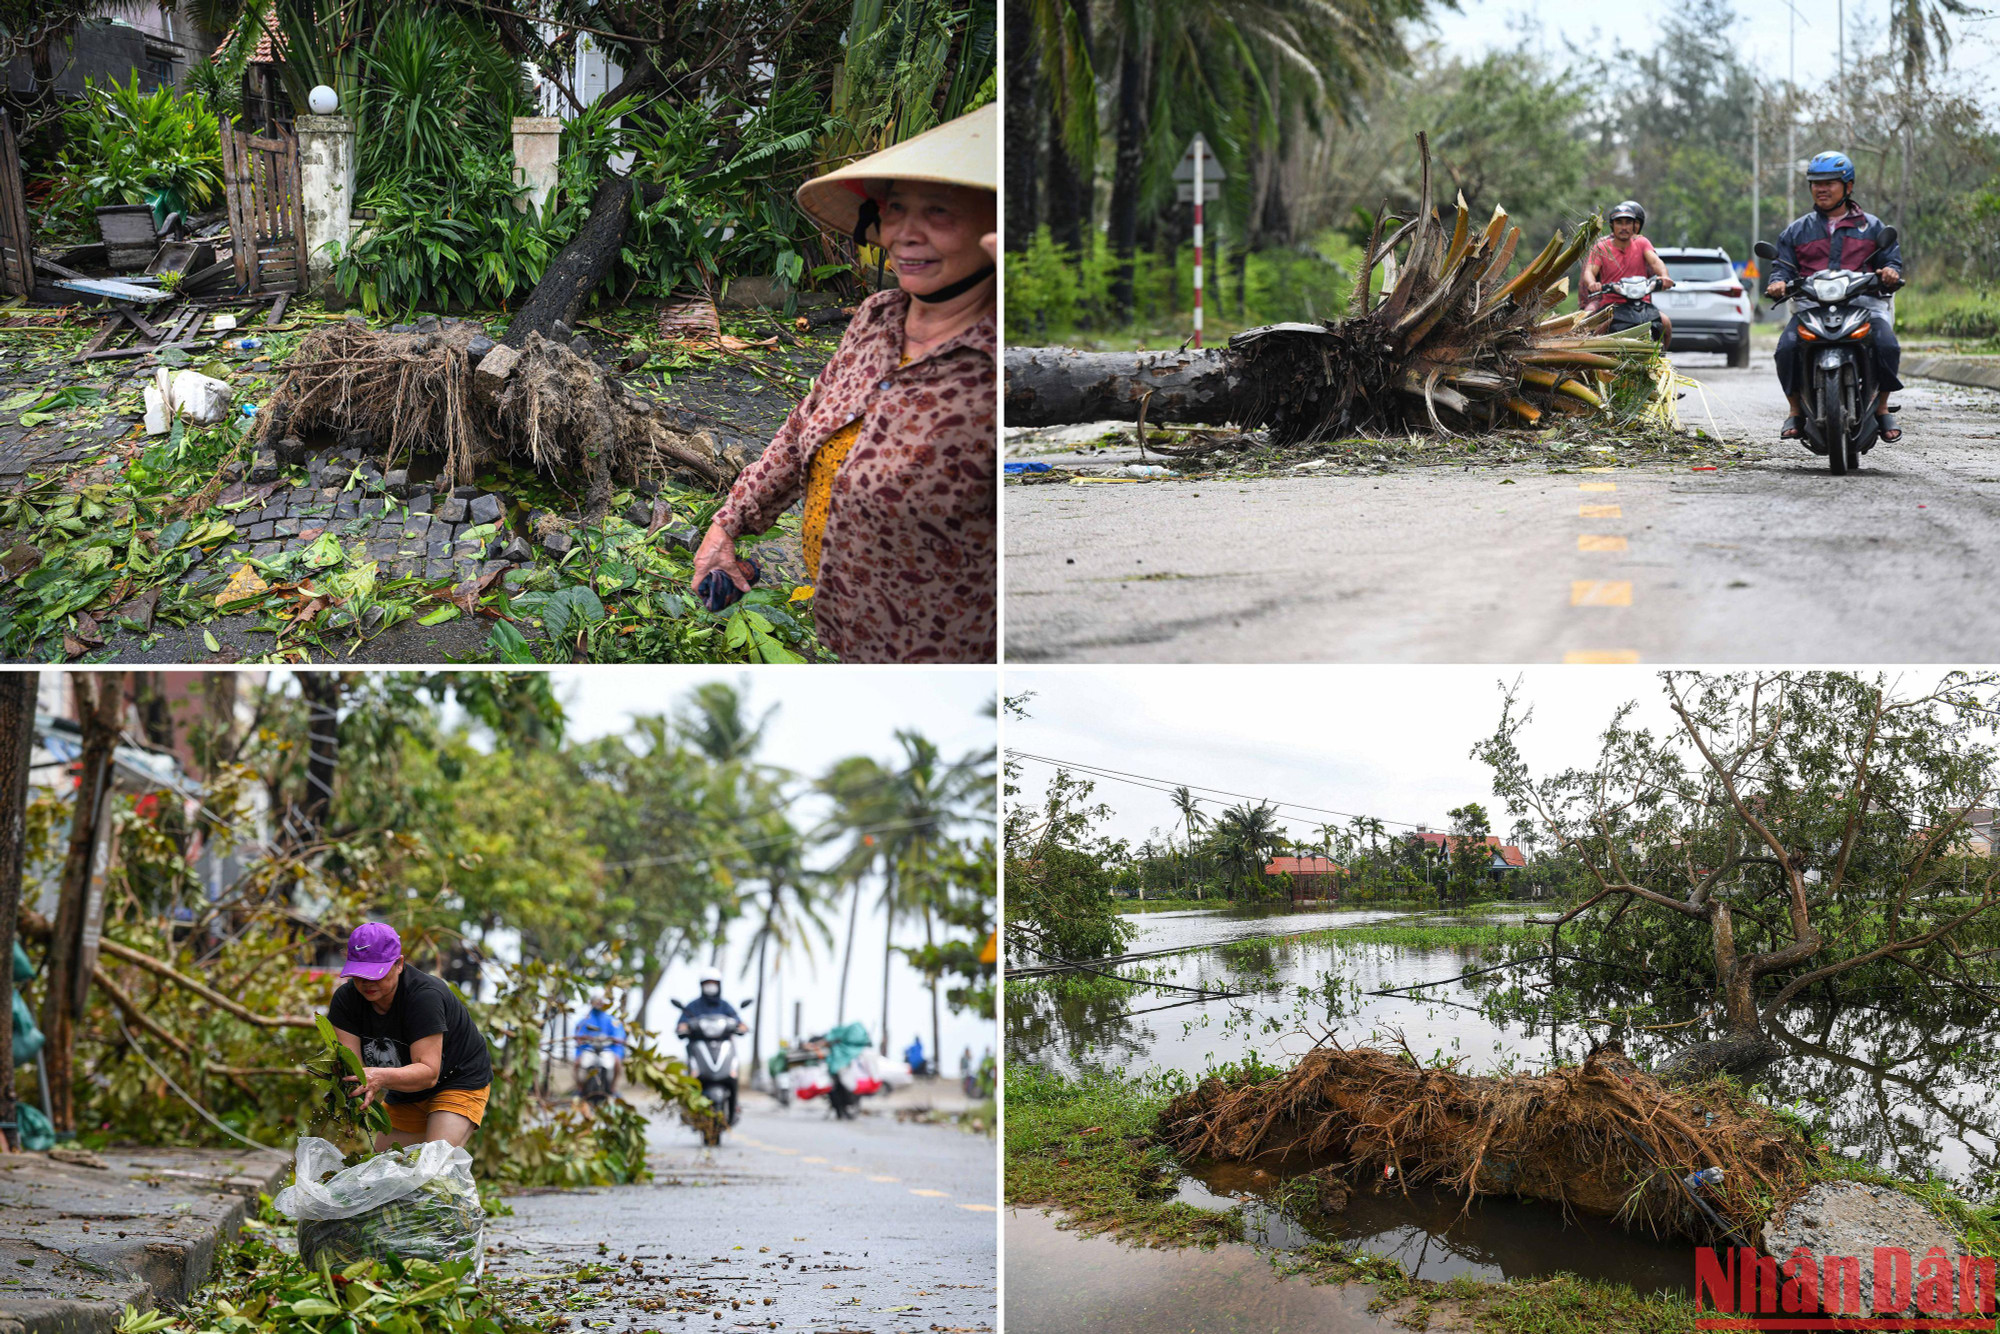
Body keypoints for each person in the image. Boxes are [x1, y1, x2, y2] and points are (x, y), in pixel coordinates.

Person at [690, 103, 997, 664]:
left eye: (939, 212)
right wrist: (728, 524)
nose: (906, 233)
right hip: (846, 627)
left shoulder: (1003, 361)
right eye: (897, 209)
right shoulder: (876, 317)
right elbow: (802, 427)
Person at [1764, 151, 1905, 443]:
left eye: (1829, 182)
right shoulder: (1797, 230)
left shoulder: (1873, 227)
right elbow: (1782, 266)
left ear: (1848, 186)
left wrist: (1890, 272)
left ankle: (1881, 408)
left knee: (1887, 344)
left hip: (1863, 305)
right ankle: (1795, 411)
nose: (1821, 188)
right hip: (1811, 307)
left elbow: (1891, 259)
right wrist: (1777, 282)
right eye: (1816, 183)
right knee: (1786, 348)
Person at [326, 923, 492, 1150]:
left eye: (376, 974)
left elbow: (428, 1073)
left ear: (399, 964)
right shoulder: (346, 1001)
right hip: (406, 1089)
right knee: (385, 1168)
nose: (366, 983)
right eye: (359, 974)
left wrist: (379, 1077)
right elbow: (355, 1070)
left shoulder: (425, 997)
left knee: (434, 1163)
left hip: (458, 1079)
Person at [1580, 201, 1676, 344]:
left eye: (1628, 223)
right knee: (1595, 330)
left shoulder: (1642, 243)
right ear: (1612, 226)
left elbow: (1656, 262)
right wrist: (1592, 283)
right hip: (1612, 304)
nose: (1624, 227)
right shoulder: (1601, 247)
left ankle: (1662, 358)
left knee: (1666, 323)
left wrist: (1664, 276)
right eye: (1619, 223)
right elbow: (1589, 270)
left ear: (1634, 226)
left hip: (1642, 303)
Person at [572, 994, 627, 1095]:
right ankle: (579, 1087)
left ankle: (613, 1087)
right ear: (591, 1003)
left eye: (600, 1002)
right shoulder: (584, 1020)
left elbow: (619, 1034)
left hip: (608, 1049)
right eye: (596, 1001)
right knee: (577, 1063)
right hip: (588, 1049)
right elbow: (578, 1034)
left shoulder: (612, 1020)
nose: (599, 1003)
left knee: (617, 1063)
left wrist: (614, 1039)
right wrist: (583, 1038)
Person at [676, 969, 747, 1040]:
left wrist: (741, 1027)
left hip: (723, 1041)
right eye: (707, 983)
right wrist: (683, 1027)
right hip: (698, 1041)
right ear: (702, 985)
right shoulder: (693, 1005)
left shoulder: (725, 1005)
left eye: (714, 983)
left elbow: (737, 1021)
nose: (710, 986)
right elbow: (682, 1023)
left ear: (718, 985)